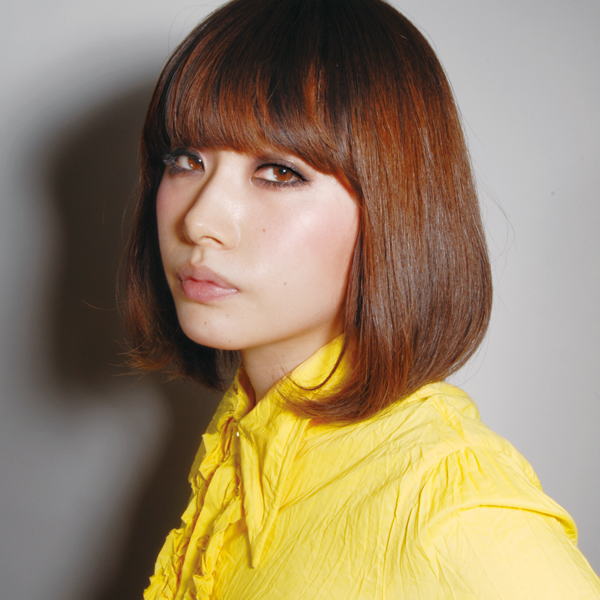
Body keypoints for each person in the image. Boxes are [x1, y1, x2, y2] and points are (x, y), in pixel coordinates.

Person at [122, 0, 600, 597]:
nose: (199, 221)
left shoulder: (454, 512)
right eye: (186, 160)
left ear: (393, 206)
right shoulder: (242, 433)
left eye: (279, 172)